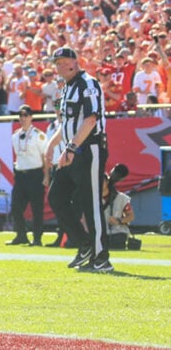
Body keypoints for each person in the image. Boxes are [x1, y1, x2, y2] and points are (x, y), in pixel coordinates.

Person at [46, 46, 112, 273]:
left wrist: (71, 146)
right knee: (56, 197)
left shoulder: (88, 83)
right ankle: (84, 244)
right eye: (57, 63)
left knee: (90, 202)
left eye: (65, 61)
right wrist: (54, 144)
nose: (61, 66)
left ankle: (101, 257)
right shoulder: (66, 88)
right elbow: (65, 123)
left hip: (88, 149)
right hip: (71, 150)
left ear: (76, 61)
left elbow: (91, 119)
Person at [7, 105, 48, 246]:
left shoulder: (38, 135)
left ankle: (37, 238)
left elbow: (45, 156)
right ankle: (21, 235)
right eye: (21, 115)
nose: (23, 118)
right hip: (21, 175)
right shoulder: (15, 135)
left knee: (37, 208)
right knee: (15, 207)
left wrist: (46, 175)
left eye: (26, 115)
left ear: (31, 117)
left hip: (35, 174)